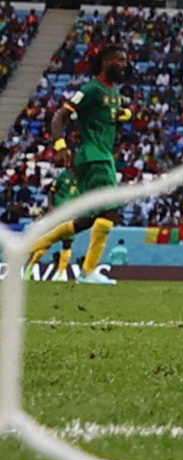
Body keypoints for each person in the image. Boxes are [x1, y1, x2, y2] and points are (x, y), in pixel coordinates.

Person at [25, 45, 131, 285]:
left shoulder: (114, 91)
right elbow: (59, 116)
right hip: (95, 157)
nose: (123, 65)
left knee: (90, 219)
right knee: (110, 212)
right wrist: (61, 146)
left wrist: (123, 115)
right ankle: (88, 272)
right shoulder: (92, 88)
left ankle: (31, 247)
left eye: (125, 61)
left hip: (103, 157)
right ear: (105, 61)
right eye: (119, 60)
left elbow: (108, 117)